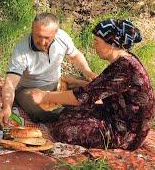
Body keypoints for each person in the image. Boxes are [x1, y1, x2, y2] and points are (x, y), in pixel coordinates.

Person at [31, 19, 155, 150]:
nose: (93, 46)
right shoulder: (125, 60)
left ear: (112, 44)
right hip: (114, 115)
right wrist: (78, 82)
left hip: (127, 133)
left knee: (65, 131)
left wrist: (45, 96)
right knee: (68, 112)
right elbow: (103, 86)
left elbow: (83, 97)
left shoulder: (124, 67)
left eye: (96, 41)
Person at [0, 13, 97, 126]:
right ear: (32, 29)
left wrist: (87, 71)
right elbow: (10, 82)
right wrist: (7, 107)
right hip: (29, 89)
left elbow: (74, 55)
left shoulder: (62, 37)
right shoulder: (21, 49)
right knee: (39, 111)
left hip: (58, 84)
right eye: (38, 36)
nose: (42, 42)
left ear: (55, 33)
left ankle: (81, 106)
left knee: (93, 87)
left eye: (47, 38)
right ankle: (77, 114)